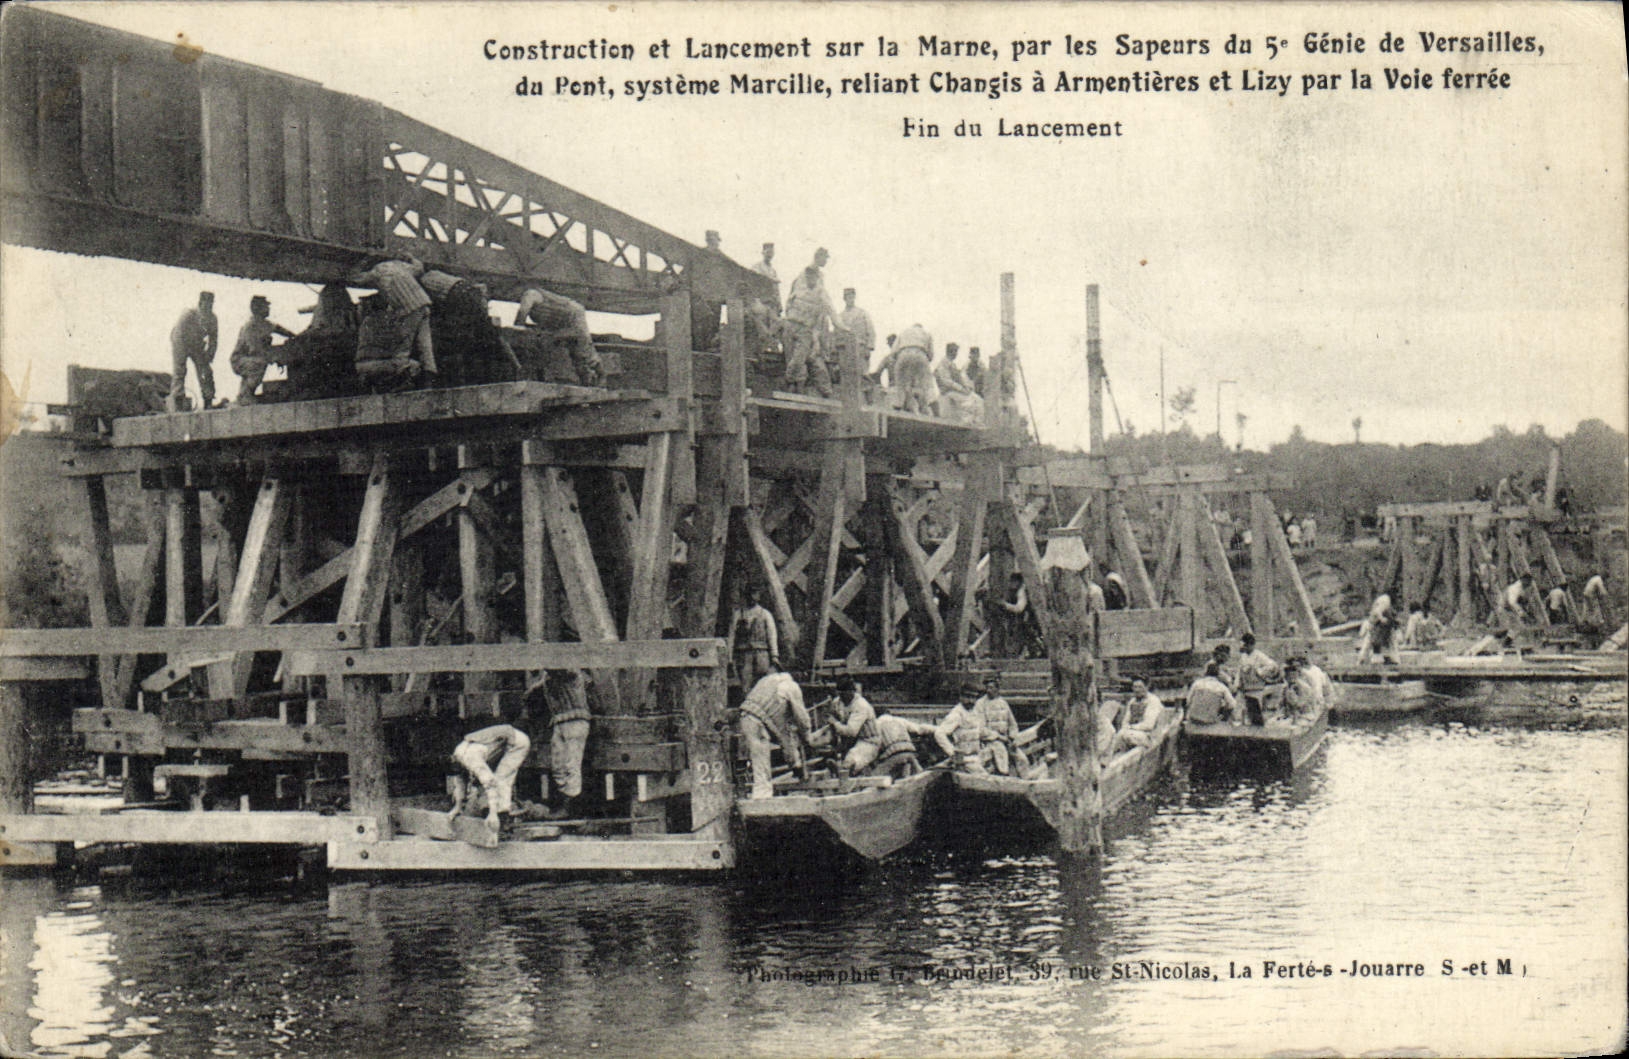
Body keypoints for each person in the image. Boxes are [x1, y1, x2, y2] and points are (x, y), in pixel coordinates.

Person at [420, 268, 521, 386]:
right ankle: (515, 365)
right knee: (491, 333)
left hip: (459, 297)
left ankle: (463, 378)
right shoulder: (437, 274)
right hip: (471, 292)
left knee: (464, 341)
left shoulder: (421, 282)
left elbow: (431, 307)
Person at [348, 253, 438, 379]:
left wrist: (364, 260)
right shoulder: (400, 265)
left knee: (402, 347)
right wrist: (410, 257)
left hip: (408, 309)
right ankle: (430, 374)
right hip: (424, 304)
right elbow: (419, 268)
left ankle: (403, 377)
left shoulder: (377, 271)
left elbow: (354, 277)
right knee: (425, 344)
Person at [738, 666, 813, 798]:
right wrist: (807, 737)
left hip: (745, 718)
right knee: (762, 770)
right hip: (758, 723)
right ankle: (762, 805)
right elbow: (802, 718)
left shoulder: (767, 680)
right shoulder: (791, 686)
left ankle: (754, 795)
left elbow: (783, 732)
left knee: (755, 762)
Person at [448, 722, 532, 830]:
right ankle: (495, 815)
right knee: (492, 782)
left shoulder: (470, 757)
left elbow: (490, 782)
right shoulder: (457, 758)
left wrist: (493, 813)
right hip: (502, 745)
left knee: (501, 779)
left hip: (518, 742)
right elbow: (459, 782)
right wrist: (457, 807)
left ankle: (501, 821)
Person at [515, 286, 601, 385]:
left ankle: (599, 376)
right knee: (550, 344)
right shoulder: (538, 305)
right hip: (560, 322)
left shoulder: (530, 293)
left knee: (582, 349)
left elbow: (522, 313)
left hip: (573, 316)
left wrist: (518, 326)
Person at [540, 669, 592, 818]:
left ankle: (572, 809)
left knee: (571, 765)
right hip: (559, 722)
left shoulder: (570, 668)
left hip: (575, 720)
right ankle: (566, 806)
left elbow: (563, 671)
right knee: (558, 767)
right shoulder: (547, 675)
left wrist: (539, 658)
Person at [782, 256, 837, 396]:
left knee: (812, 361)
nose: (810, 278)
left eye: (813, 276)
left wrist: (816, 340)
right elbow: (788, 305)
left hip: (811, 333)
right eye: (808, 276)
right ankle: (793, 387)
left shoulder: (820, 295)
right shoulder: (800, 289)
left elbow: (822, 321)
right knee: (794, 360)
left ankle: (825, 391)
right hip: (796, 327)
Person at [229, 295, 295, 405]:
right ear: (258, 308)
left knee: (258, 363)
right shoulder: (250, 326)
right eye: (266, 306)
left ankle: (244, 395)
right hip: (239, 360)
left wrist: (297, 336)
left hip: (250, 359)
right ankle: (246, 396)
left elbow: (280, 330)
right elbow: (254, 349)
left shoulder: (266, 324)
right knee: (259, 363)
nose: (268, 309)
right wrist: (274, 357)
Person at [355, 294, 426, 392]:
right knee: (414, 365)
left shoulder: (366, 321)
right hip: (378, 363)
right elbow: (391, 345)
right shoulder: (384, 319)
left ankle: (384, 386)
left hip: (362, 365)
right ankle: (395, 387)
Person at [168, 291, 219, 410]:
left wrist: (210, 354)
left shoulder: (212, 318)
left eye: (210, 305)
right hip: (180, 341)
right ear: (200, 303)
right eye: (206, 305)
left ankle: (208, 399)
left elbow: (214, 339)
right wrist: (186, 353)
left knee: (206, 371)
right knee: (180, 370)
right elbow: (180, 335)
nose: (208, 308)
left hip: (197, 344)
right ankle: (178, 399)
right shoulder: (188, 315)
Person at [973, 673, 1026, 776]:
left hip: (1006, 739)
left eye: (992, 687)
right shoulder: (980, 704)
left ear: (997, 689)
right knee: (1001, 754)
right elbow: (981, 729)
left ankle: (1026, 778)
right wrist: (998, 737)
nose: (989, 690)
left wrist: (1012, 737)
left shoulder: (1003, 703)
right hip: (991, 740)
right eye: (987, 687)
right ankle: (1004, 776)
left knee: (1021, 758)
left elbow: (1012, 724)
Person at [827, 676, 881, 775]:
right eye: (840, 693)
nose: (842, 697)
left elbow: (851, 731)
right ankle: (839, 772)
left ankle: (845, 774)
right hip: (849, 742)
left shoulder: (861, 705)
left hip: (868, 741)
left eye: (844, 693)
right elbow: (831, 716)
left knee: (850, 762)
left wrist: (834, 723)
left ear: (852, 691)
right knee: (833, 756)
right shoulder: (838, 702)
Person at [729, 586, 779, 690]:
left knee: (762, 684)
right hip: (743, 654)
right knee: (745, 685)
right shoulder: (738, 614)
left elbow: (772, 635)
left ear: (759, 596)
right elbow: (731, 636)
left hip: (761, 654)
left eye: (755, 594)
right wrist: (729, 657)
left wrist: (774, 655)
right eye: (750, 594)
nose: (752, 597)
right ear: (746, 596)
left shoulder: (765, 614)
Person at [882, 323, 938, 413]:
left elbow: (893, 352)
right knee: (928, 386)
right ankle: (936, 413)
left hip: (903, 354)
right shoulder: (926, 333)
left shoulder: (904, 332)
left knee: (900, 386)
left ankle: (897, 409)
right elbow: (930, 355)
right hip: (920, 353)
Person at [934, 683, 989, 773]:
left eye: (974, 698)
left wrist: (998, 736)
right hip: (964, 761)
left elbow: (981, 731)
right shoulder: (956, 714)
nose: (971, 701)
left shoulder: (974, 712)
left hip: (976, 757)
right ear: (961, 697)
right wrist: (952, 753)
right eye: (968, 697)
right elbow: (939, 733)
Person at [872, 711, 937, 779]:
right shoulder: (899, 720)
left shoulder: (876, 724)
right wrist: (938, 729)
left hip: (894, 755)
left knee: (874, 777)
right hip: (910, 753)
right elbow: (919, 729)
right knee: (916, 774)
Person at [1236, 633, 1282, 725]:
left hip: (1256, 687)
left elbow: (1272, 666)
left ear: (1251, 645)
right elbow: (1239, 670)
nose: (1245, 647)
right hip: (1245, 687)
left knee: (1256, 710)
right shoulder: (1243, 656)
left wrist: (1258, 672)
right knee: (1244, 711)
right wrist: (1237, 684)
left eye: (1247, 645)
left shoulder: (1259, 655)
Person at [934, 342, 983, 422]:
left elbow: (960, 379)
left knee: (978, 400)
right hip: (948, 391)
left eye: (956, 351)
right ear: (950, 351)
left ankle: (975, 422)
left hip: (955, 390)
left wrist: (966, 387)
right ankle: (967, 423)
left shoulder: (952, 364)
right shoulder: (944, 363)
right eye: (954, 351)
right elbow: (946, 381)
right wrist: (961, 389)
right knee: (970, 402)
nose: (956, 354)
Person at [1114, 679, 1166, 752]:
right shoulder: (1132, 701)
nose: (1137, 690)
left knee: (1125, 735)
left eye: (1140, 687)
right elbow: (1125, 722)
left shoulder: (1153, 701)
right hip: (1135, 733)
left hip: (1150, 737)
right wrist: (1127, 727)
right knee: (1118, 735)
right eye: (1135, 687)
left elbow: (1149, 725)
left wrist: (1131, 727)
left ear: (1147, 687)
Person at [835, 287, 875, 377]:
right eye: (848, 297)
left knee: (862, 374)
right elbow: (836, 335)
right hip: (845, 350)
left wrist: (869, 348)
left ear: (854, 297)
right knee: (847, 374)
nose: (850, 299)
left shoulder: (862, 313)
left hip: (860, 348)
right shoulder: (840, 316)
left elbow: (871, 331)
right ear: (844, 299)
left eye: (852, 296)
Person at [1358, 593, 1401, 665]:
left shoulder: (1386, 605)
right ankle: (1361, 659)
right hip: (1376, 627)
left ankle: (1395, 659)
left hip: (1384, 627)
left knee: (1391, 642)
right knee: (1369, 643)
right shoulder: (1384, 602)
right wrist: (1381, 618)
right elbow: (1377, 611)